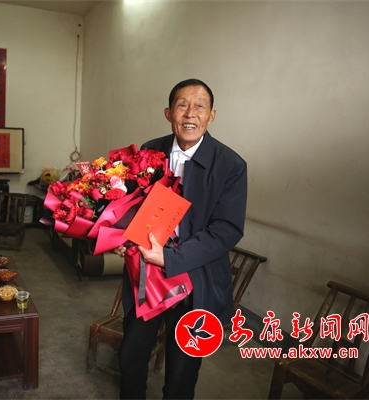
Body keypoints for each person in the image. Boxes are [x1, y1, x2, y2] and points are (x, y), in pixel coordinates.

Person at [117, 79, 248, 399]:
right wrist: (121, 234)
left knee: (182, 372)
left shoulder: (231, 165)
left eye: (200, 106)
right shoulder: (150, 151)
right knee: (131, 354)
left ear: (211, 115)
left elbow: (226, 229)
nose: (190, 113)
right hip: (146, 272)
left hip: (195, 277)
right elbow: (128, 203)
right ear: (169, 113)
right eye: (182, 105)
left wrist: (171, 258)